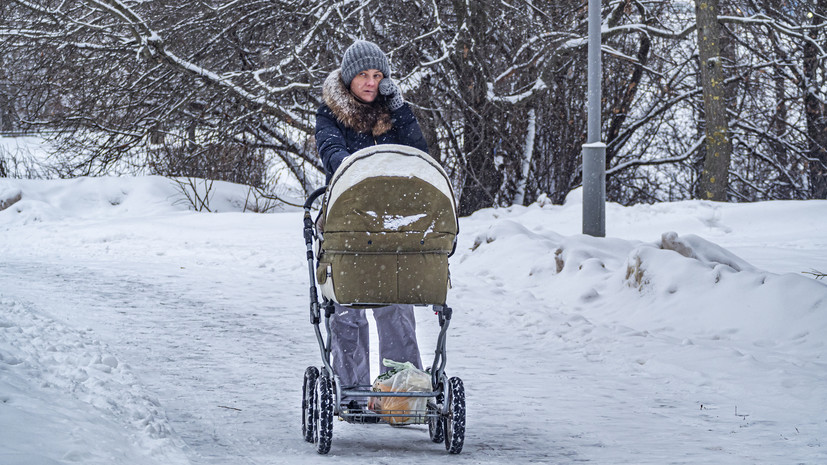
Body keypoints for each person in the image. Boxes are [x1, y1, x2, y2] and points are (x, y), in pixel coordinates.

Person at [315, 40, 428, 413]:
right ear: (349, 78)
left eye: (377, 75)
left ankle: (401, 393)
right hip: (347, 219)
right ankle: (354, 393)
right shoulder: (330, 113)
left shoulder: (392, 113)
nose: (370, 82)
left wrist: (401, 108)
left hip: (390, 221)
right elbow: (331, 151)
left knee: (395, 304)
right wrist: (359, 172)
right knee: (347, 307)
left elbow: (419, 153)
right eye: (363, 75)